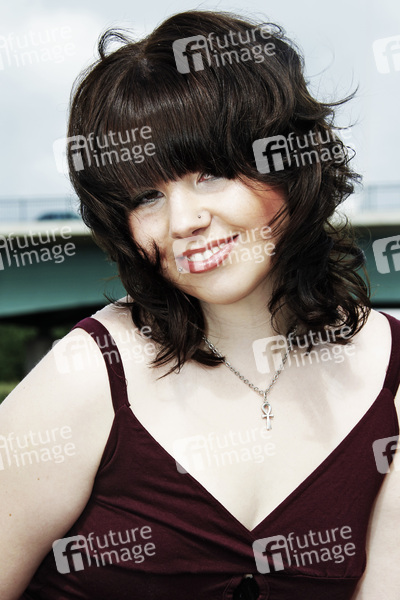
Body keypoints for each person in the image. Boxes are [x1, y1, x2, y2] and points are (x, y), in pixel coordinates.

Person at [1, 9, 399, 600]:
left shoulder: (391, 374)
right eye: (146, 196)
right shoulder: (87, 375)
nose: (184, 221)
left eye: (210, 173)